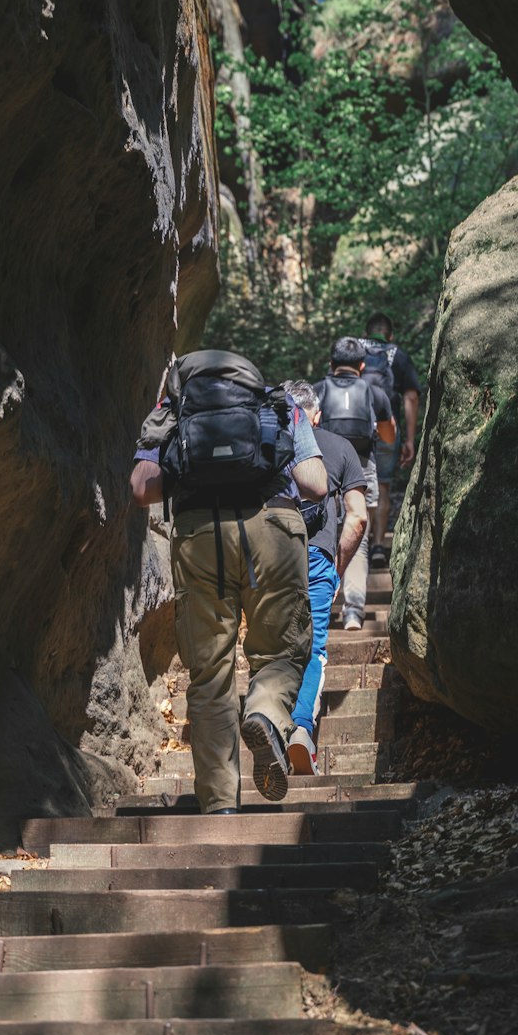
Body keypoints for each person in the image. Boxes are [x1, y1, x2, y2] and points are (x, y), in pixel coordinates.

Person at [129, 349, 327, 814]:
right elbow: (315, 482)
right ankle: (265, 711)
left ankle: (219, 803)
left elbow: (142, 490)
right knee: (282, 650)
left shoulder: (170, 412)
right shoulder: (278, 403)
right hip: (273, 530)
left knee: (209, 671)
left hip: (199, 536)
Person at [283, 380, 369, 775]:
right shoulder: (339, 447)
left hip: (269, 555)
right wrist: (337, 568)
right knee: (314, 646)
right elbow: (359, 515)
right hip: (317, 555)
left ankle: (267, 721)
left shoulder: (266, 440)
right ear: (315, 415)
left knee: (273, 646)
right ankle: (301, 730)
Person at [313, 337, 396, 630]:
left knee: (323, 534)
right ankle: (353, 610)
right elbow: (388, 437)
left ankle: (319, 604)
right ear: (361, 366)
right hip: (361, 467)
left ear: (331, 364)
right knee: (358, 537)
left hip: (323, 466)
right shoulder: (375, 393)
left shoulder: (318, 391)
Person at [362, 310, 420, 568]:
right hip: (388, 428)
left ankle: (358, 545)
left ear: (366, 333)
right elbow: (411, 398)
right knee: (382, 486)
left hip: (357, 430)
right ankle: (377, 546)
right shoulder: (399, 355)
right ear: (391, 335)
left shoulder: (354, 351)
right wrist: (410, 439)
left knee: (357, 486)